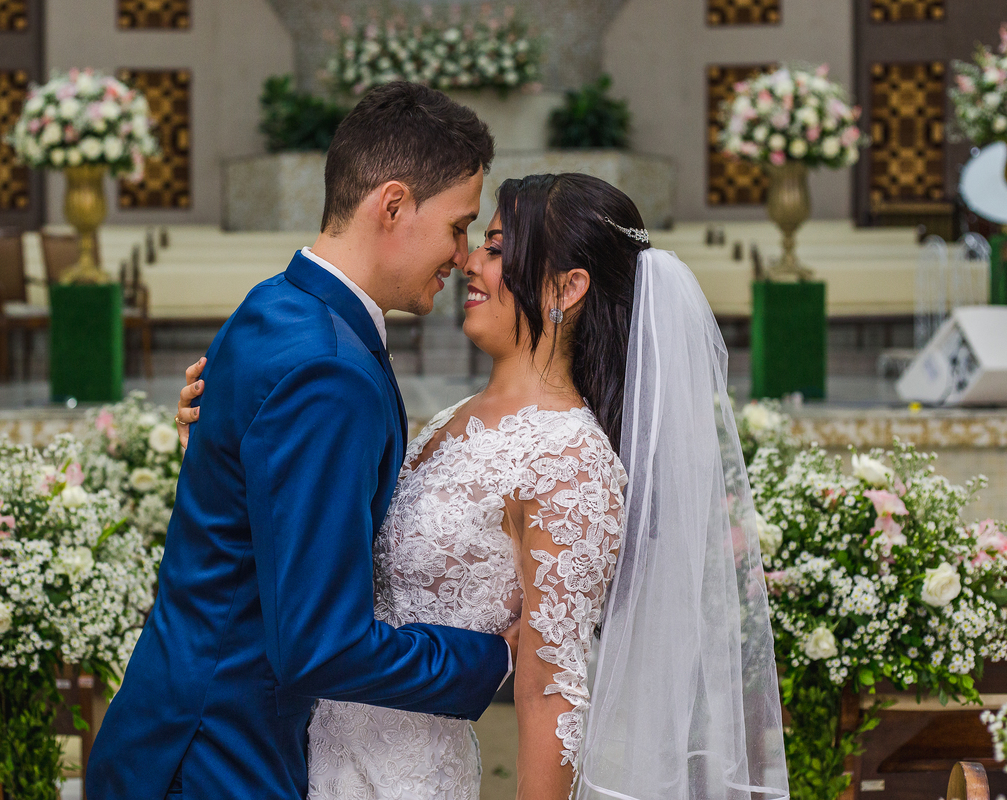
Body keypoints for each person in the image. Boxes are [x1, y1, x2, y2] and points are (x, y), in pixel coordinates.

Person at [177, 173, 790, 799]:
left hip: (410, 780)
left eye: (496, 248)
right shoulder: (451, 419)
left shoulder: (570, 460)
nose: (469, 261)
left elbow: (551, 694)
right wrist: (229, 445)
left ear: (568, 287)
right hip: (313, 761)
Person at [86, 82, 520, 800]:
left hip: (172, 727)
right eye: (457, 226)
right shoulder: (330, 369)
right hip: (217, 757)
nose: (463, 254)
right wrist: (489, 660)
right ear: (392, 205)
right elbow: (322, 645)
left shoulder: (275, 303)